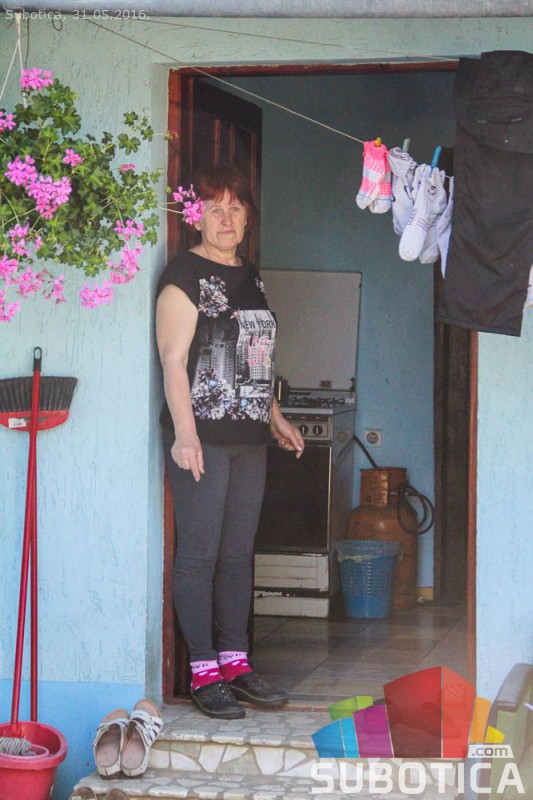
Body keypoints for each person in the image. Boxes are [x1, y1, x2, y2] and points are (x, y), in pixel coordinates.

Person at [156, 164, 305, 720]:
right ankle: (203, 671)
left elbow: (253, 357)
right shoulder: (183, 275)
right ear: (196, 217)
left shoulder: (249, 275)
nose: (226, 218)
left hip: (248, 436)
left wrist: (275, 416)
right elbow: (174, 360)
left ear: (247, 218)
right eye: (214, 208)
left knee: (239, 555)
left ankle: (236, 665)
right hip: (204, 438)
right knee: (200, 555)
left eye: (235, 208)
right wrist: (185, 435)